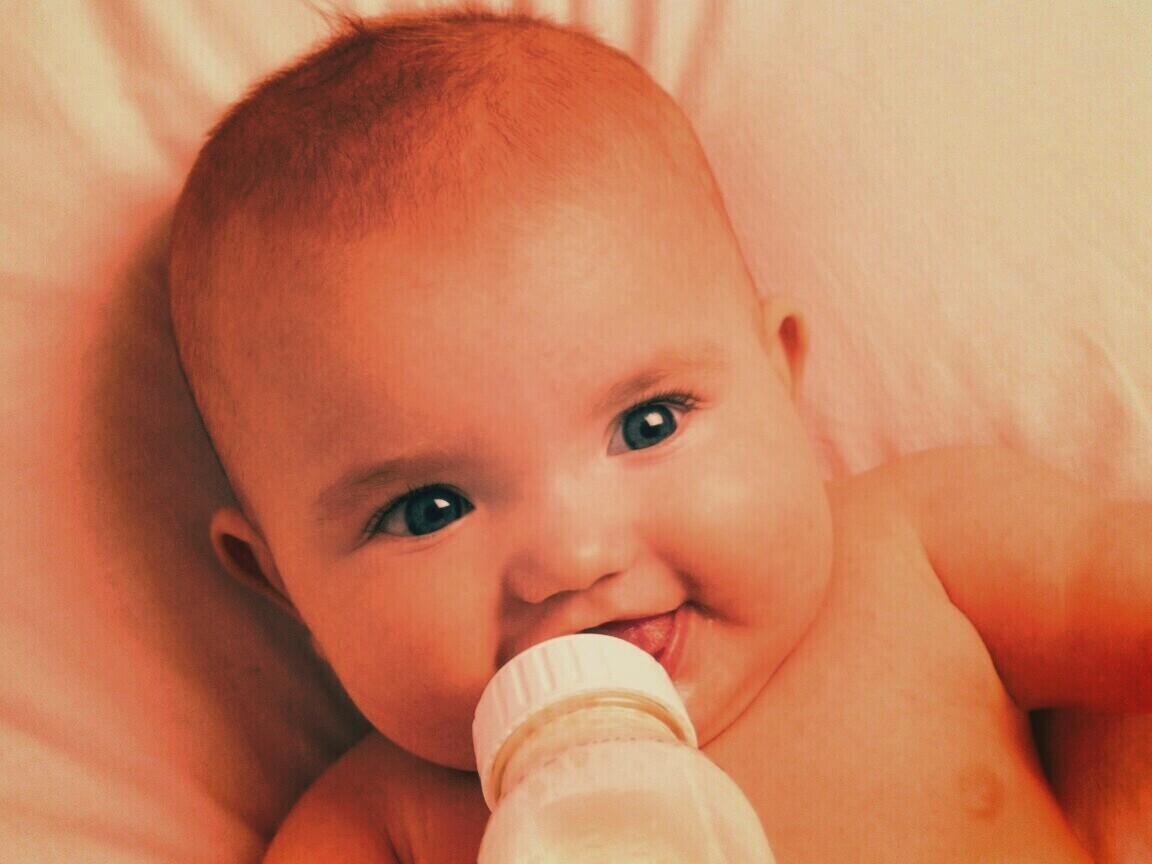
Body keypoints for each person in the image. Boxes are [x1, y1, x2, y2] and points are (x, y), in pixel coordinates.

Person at [166, 9, 1151, 863]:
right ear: (282, 584)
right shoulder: (382, 824)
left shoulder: (922, 553)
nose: (573, 559)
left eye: (647, 424)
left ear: (778, 373)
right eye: (428, 509)